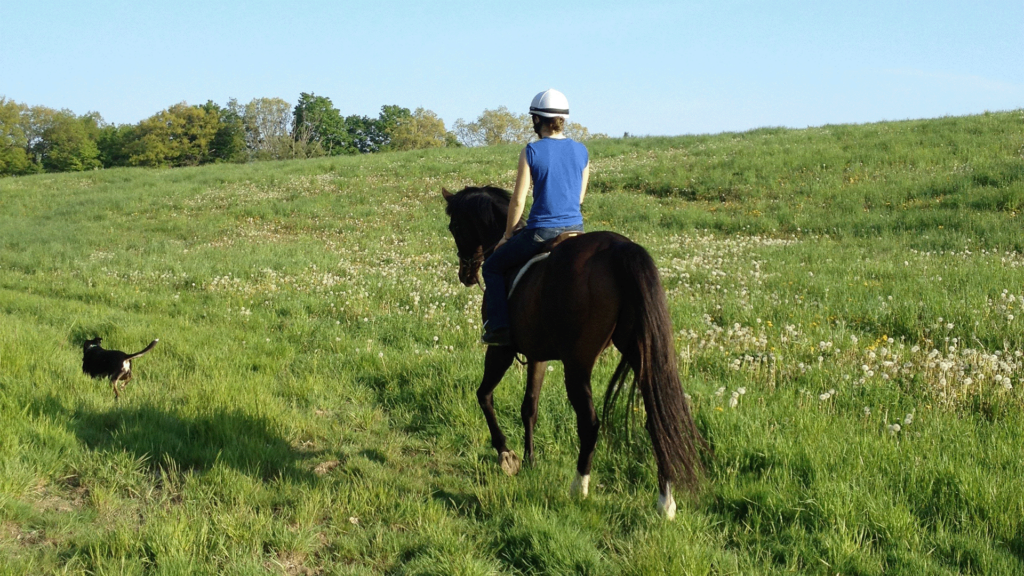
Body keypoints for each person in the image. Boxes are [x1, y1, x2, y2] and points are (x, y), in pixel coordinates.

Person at [480, 89, 591, 346]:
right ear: (563, 119)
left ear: (537, 119)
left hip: (542, 232)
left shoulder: (531, 151)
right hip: (576, 230)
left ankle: (499, 328)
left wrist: (507, 236)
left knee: (491, 267)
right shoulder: (582, 151)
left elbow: (518, 201)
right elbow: (579, 198)